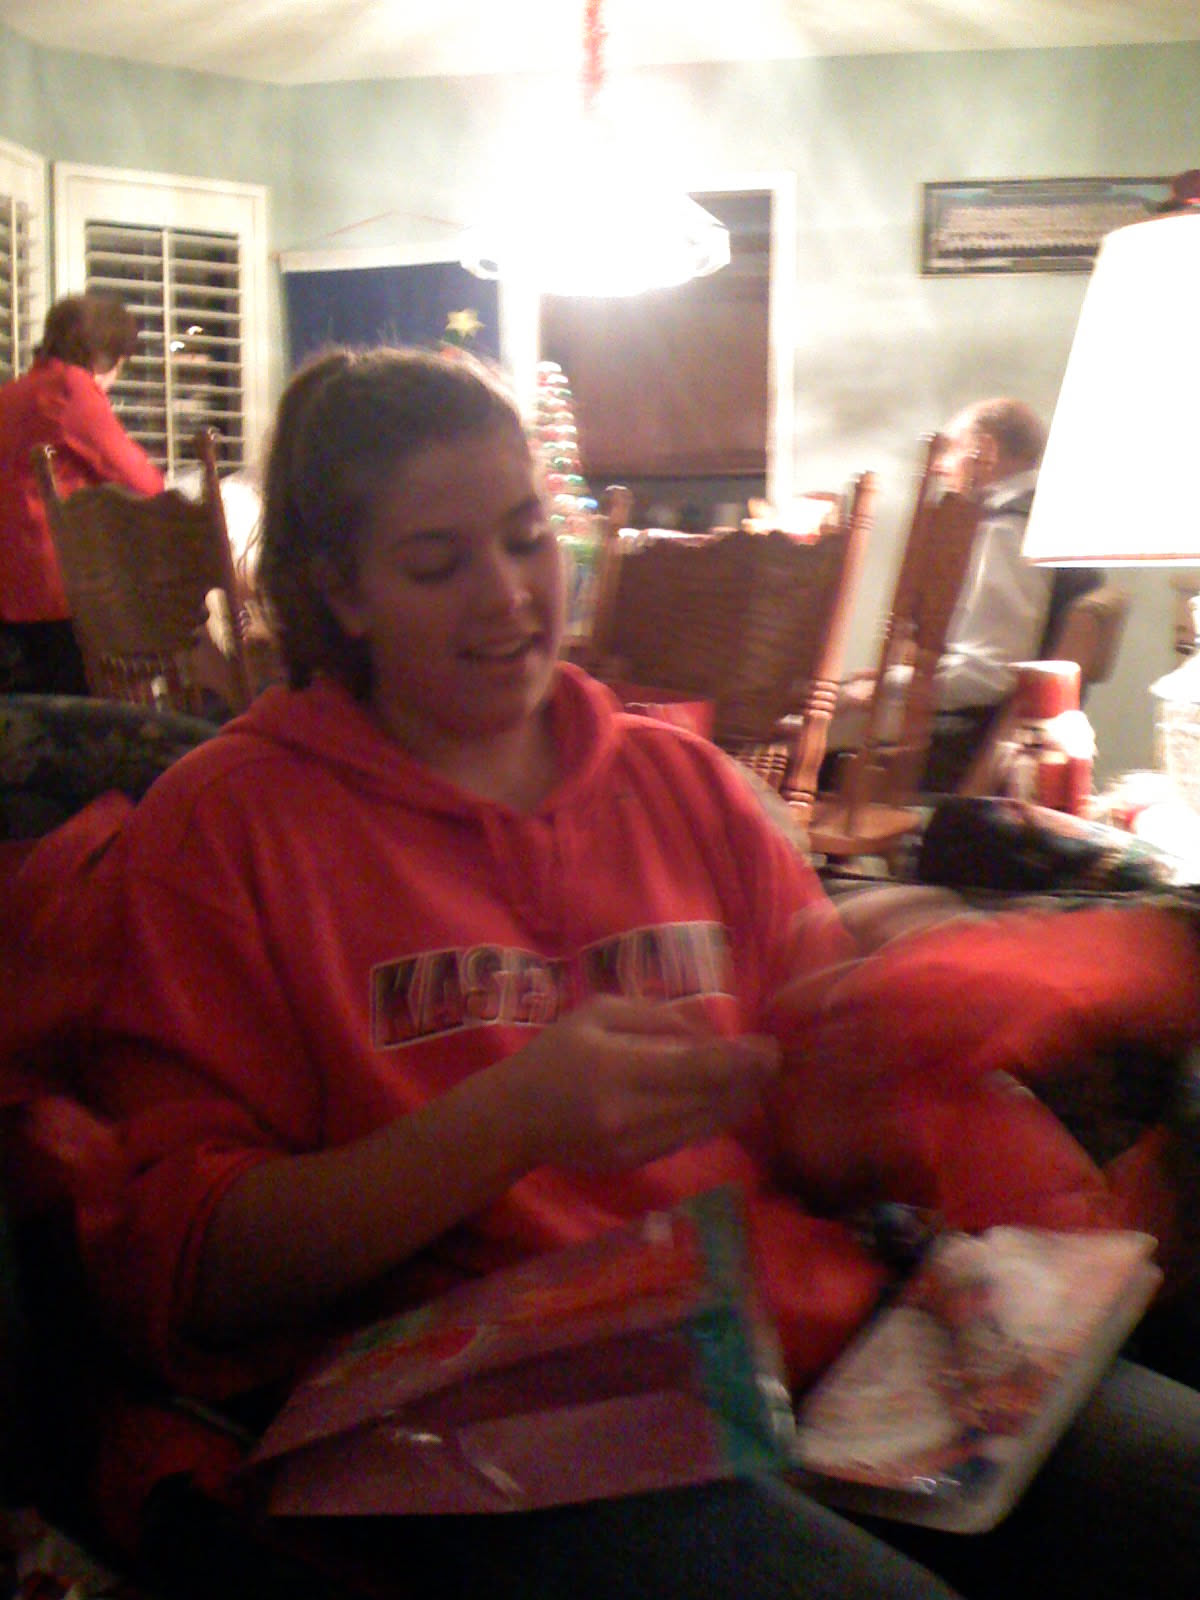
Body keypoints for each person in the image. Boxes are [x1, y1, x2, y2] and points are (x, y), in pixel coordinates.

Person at [68, 347, 1200, 1600]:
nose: (509, 596)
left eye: (526, 539)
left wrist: (893, 1030)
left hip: (795, 1335)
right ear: (340, 590)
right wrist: (509, 1121)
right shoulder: (225, 825)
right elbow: (196, 1278)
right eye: (437, 564)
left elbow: (823, 1129)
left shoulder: (682, 784)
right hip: (482, 1411)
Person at [826, 398, 1093, 793]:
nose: (939, 466)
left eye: (950, 450)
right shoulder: (1037, 518)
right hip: (973, 725)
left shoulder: (1007, 529)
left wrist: (886, 685)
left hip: (964, 739)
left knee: (793, 737)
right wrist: (886, 681)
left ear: (985, 450)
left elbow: (989, 674)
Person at [0, 291, 165, 695]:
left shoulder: (13, 393)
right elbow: (143, 484)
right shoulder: (71, 388)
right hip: (56, 590)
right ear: (106, 356)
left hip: (10, 591)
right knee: (81, 714)